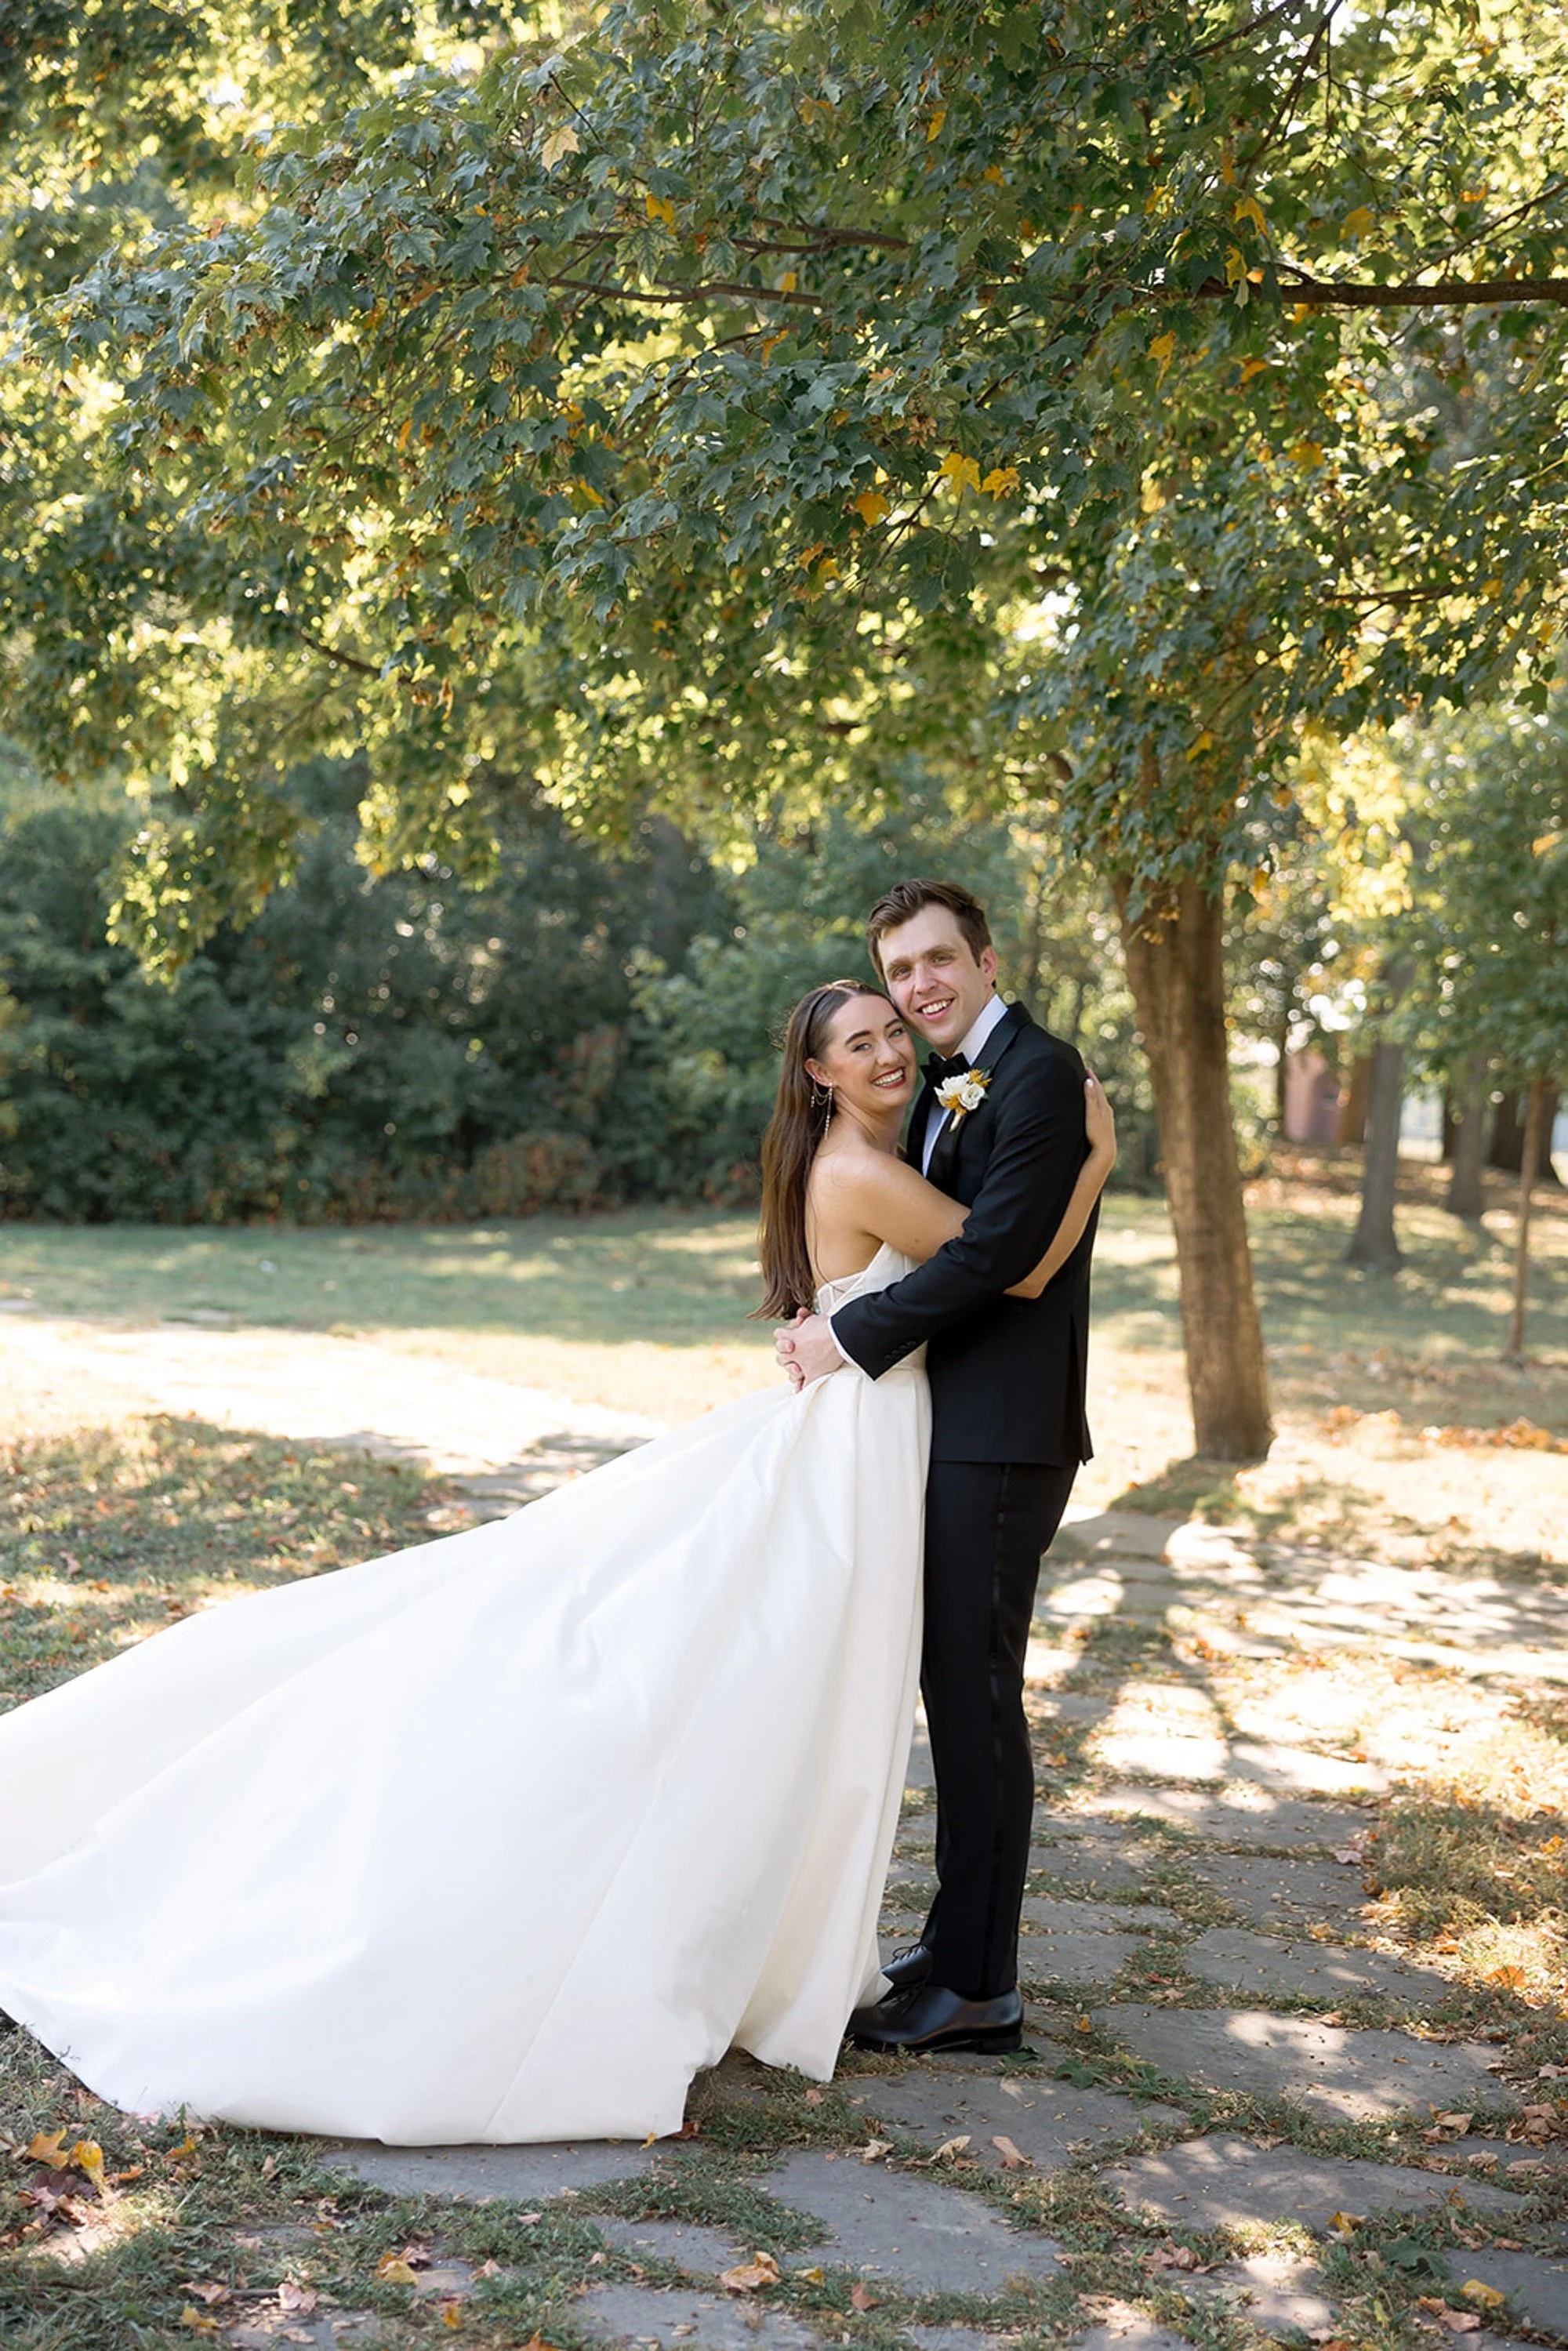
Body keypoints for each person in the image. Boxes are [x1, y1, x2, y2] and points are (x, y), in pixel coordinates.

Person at [0, 975, 1111, 2146]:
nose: (890, 1049)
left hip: (866, 1439)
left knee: (798, 1702)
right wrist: (1090, 1161)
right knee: (766, 1698)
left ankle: (785, 1943)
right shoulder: (858, 1167)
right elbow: (1014, 1262)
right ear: (819, 1071)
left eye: (894, 1031)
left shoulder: (860, 1149)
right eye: (860, 1042)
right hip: (853, 1454)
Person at [777, 881, 1099, 2058]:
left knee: (976, 1700)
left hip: (1004, 1432)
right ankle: (955, 1948)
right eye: (899, 970)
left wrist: (847, 1334)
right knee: (954, 1695)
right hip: (948, 1426)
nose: (918, 986)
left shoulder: (1040, 1073)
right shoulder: (942, 1084)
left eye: (934, 961)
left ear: (985, 957)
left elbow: (1001, 1256)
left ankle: (978, 1983)